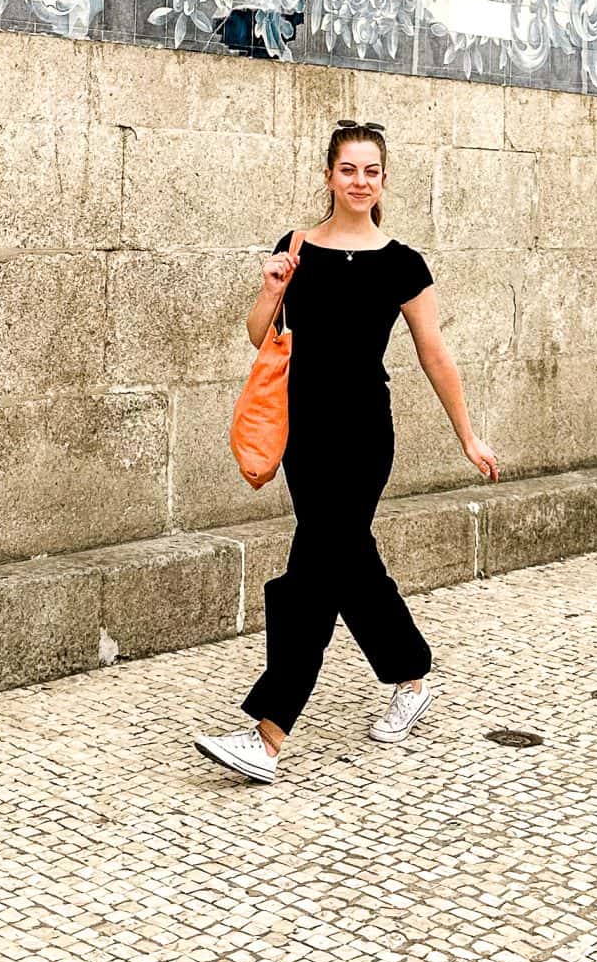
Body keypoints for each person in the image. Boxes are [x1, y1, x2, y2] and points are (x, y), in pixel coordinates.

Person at [194, 121, 498, 784]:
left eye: (372, 170)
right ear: (330, 175)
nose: (360, 180)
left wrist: (467, 434)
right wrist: (272, 287)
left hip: (364, 436)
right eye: (349, 169)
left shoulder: (402, 265)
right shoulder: (297, 249)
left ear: (383, 180)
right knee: (350, 563)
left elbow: (434, 353)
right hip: (303, 434)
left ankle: (268, 735)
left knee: (312, 570)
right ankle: (412, 675)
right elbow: (258, 337)